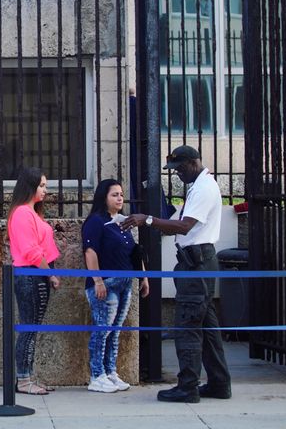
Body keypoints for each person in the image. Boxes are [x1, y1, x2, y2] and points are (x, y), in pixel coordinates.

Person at [122, 145, 231, 403]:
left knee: (188, 327)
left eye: (180, 168)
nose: (178, 174)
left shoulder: (204, 188)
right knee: (207, 328)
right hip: (196, 263)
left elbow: (184, 226)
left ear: (193, 162)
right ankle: (218, 382)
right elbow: (178, 227)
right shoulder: (198, 186)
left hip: (197, 266)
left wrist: (147, 219)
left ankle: (188, 387)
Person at [82, 179, 149, 393]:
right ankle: (97, 375)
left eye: (121, 194)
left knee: (115, 331)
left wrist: (144, 277)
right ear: (104, 197)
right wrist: (98, 280)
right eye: (114, 195)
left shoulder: (123, 222)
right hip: (106, 284)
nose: (120, 198)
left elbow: (134, 253)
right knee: (102, 330)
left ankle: (110, 372)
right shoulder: (96, 221)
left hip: (125, 283)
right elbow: (90, 252)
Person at [6, 167, 61, 395]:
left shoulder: (32, 212)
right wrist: (51, 274)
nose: (45, 190)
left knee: (31, 329)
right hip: (31, 275)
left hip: (35, 274)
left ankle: (27, 377)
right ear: (30, 186)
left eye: (45, 185)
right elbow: (31, 251)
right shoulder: (22, 213)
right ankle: (24, 380)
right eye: (41, 185)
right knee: (28, 329)